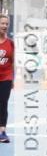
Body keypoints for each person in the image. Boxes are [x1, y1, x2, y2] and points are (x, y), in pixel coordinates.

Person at [0, 13, 14, 143]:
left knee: (3, 103)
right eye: (2, 23)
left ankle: (2, 132)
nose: (4, 26)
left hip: (6, 78)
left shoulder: (11, 44)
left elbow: (14, 62)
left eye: (6, 24)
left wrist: (14, 79)